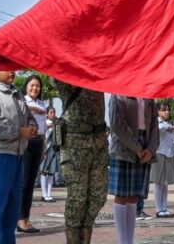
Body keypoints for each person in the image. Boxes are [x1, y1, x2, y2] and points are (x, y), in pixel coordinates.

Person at [0, 68, 32, 244]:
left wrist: (32, 127)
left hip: (18, 153)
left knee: (12, 206)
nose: (11, 71)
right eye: (5, 67)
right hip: (0, 154)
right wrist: (18, 131)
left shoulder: (17, 94)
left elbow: (29, 116)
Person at [57, 81, 106, 244]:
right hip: (75, 141)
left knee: (98, 196)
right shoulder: (66, 74)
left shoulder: (99, 73)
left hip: (98, 141)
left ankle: (85, 238)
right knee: (77, 198)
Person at [107, 96, 156, 244]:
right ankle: (123, 241)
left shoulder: (149, 97)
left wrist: (151, 149)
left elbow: (154, 125)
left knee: (134, 195)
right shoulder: (118, 95)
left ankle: (130, 240)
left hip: (144, 145)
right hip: (123, 148)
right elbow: (117, 124)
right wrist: (137, 148)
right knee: (121, 195)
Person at [15, 76, 47, 234]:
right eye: (32, 85)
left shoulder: (42, 103)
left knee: (31, 184)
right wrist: (32, 109)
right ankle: (20, 219)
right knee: (24, 182)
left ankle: (25, 218)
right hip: (26, 142)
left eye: (38, 86)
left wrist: (43, 148)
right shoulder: (22, 101)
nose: (35, 88)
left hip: (38, 142)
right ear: (26, 87)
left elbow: (44, 128)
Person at [151, 103, 174, 218]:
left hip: (169, 154)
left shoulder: (168, 123)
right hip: (159, 153)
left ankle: (164, 207)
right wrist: (168, 128)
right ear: (158, 111)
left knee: (165, 183)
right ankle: (158, 209)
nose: (166, 112)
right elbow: (159, 129)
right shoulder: (157, 122)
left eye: (168, 110)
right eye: (163, 110)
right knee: (158, 182)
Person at [37, 107, 58, 202]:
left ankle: (49, 194)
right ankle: (44, 194)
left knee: (51, 172)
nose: (53, 114)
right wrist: (52, 126)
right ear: (47, 114)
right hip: (45, 149)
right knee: (44, 171)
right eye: (51, 112)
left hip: (53, 150)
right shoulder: (44, 123)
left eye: (54, 112)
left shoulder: (57, 124)